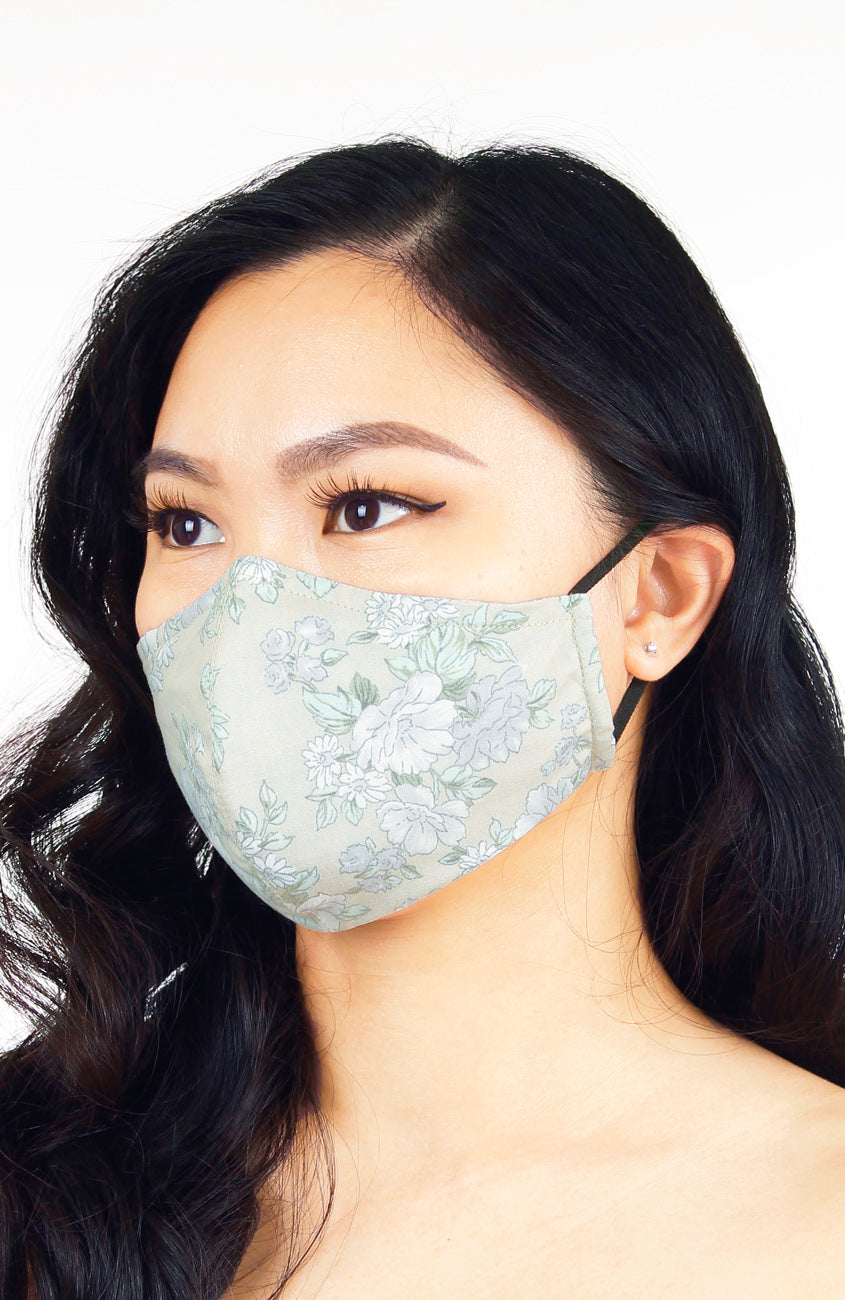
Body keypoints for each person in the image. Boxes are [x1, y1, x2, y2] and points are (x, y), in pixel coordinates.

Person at [1, 139, 843, 1299]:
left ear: (657, 595)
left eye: (365, 504)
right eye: (184, 524)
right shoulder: (35, 1192)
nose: (249, 614)